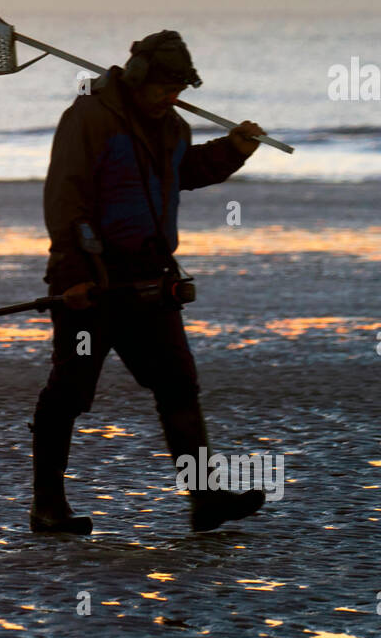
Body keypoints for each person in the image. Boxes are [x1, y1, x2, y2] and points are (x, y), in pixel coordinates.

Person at [32, 30, 266, 534]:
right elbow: (64, 197)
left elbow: (184, 171)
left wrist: (233, 150)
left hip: (150, 283)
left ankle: (204, 499)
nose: (171, 97)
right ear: (137, 77)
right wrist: (74, 275)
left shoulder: (173, 129)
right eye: (164, 87)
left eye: (179, 88)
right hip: (90, 284)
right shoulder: (89, 118)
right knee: (69, 391)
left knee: (178, 385)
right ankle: (48, 506)